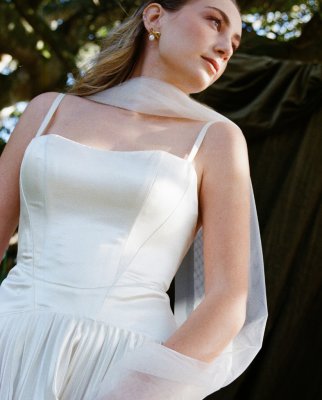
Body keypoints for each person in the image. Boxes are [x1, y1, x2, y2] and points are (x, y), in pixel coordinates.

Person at [0, 0, 267, 399]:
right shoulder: (47, 111)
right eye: (215, 21)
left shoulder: (217, 140)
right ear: (155, 17)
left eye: (235, 42)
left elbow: (228, 302)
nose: (226, 46)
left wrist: (138, 387)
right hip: (11, 341)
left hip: (125, 366)